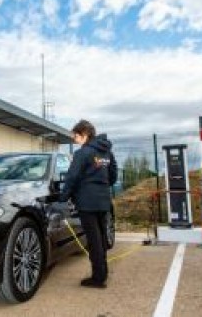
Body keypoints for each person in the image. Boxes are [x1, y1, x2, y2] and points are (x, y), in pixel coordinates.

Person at [60, 119, 117, 288]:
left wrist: (63, 197)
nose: (75, 140)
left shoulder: (83, 153)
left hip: (87, 202)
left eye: (76, 136)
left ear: (84, 134)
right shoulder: (107, 153)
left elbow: (72, 177)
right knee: (100, 237)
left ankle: (98, 279)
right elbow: (113, 175)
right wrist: (101, 187)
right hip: (103, 201)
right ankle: (102, 274)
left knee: (94, 241)